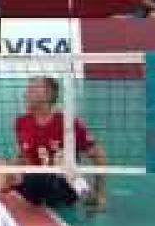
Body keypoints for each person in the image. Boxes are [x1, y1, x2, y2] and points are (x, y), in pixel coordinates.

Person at [8, 76, 108, 212]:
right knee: (2, 168)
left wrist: (100, 194)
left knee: (60, 159)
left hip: (62, 186)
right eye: (27, 89)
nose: (26, 93)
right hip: (34, 185)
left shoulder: (68, 123)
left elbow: (98, 156)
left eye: (32, 89)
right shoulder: (21, 122)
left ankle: (86, 194)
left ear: (48, 95)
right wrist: (10, 174)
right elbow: (22, 155)